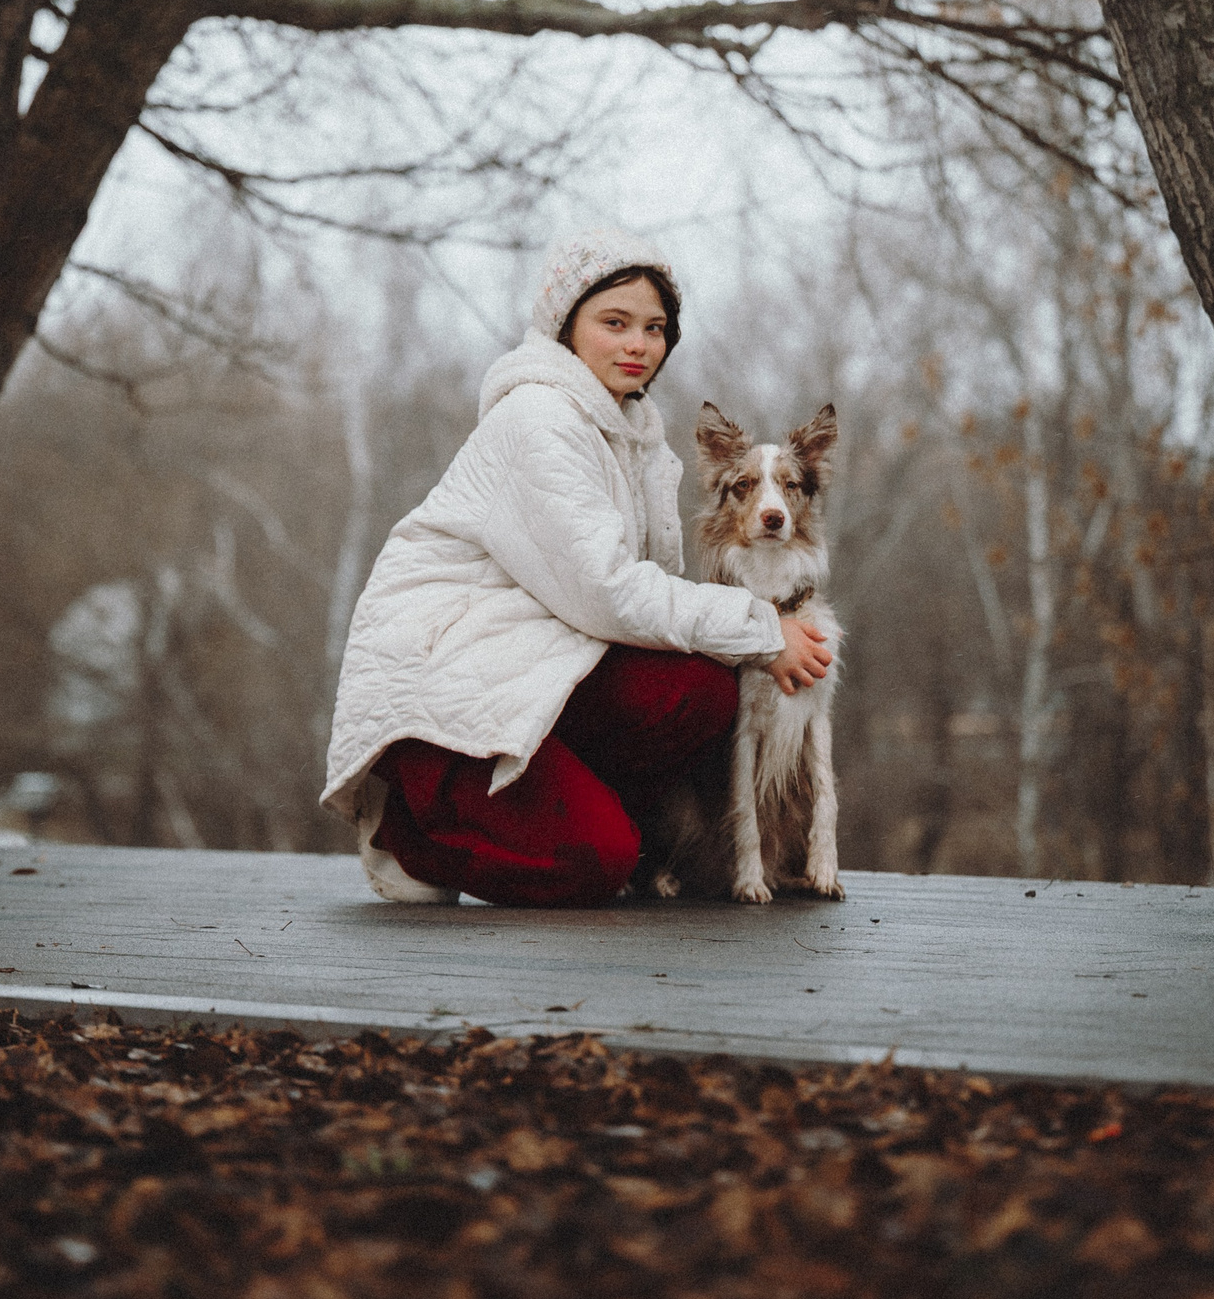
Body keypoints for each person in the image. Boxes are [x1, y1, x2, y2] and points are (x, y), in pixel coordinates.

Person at [322, 229, 837, 906]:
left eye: (654, 328)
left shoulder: (635, 435)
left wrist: (742, 629)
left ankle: (576, 805)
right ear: (567, 328)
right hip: (444, 691)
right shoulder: (540, 420)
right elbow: (607, 592)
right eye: (614, 322)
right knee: (600, 861)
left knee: (700, 688)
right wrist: (761, 626)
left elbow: (638, 610)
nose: (637, 344)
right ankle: (414, 832)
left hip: (531, 664)